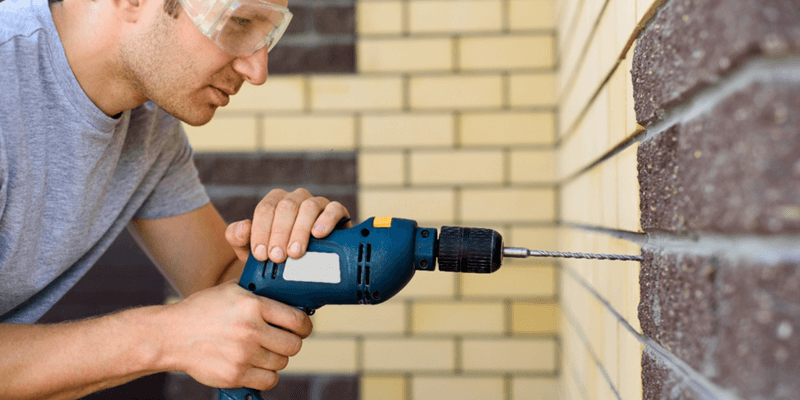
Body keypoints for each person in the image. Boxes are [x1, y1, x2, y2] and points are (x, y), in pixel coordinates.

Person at [0, 0, 350, 397]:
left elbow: (222, 283)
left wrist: (299, 248)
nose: (257, 71)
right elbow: (184, 330)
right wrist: (164, 337)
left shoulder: (149, 128)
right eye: (238, 22)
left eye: (267, 35)